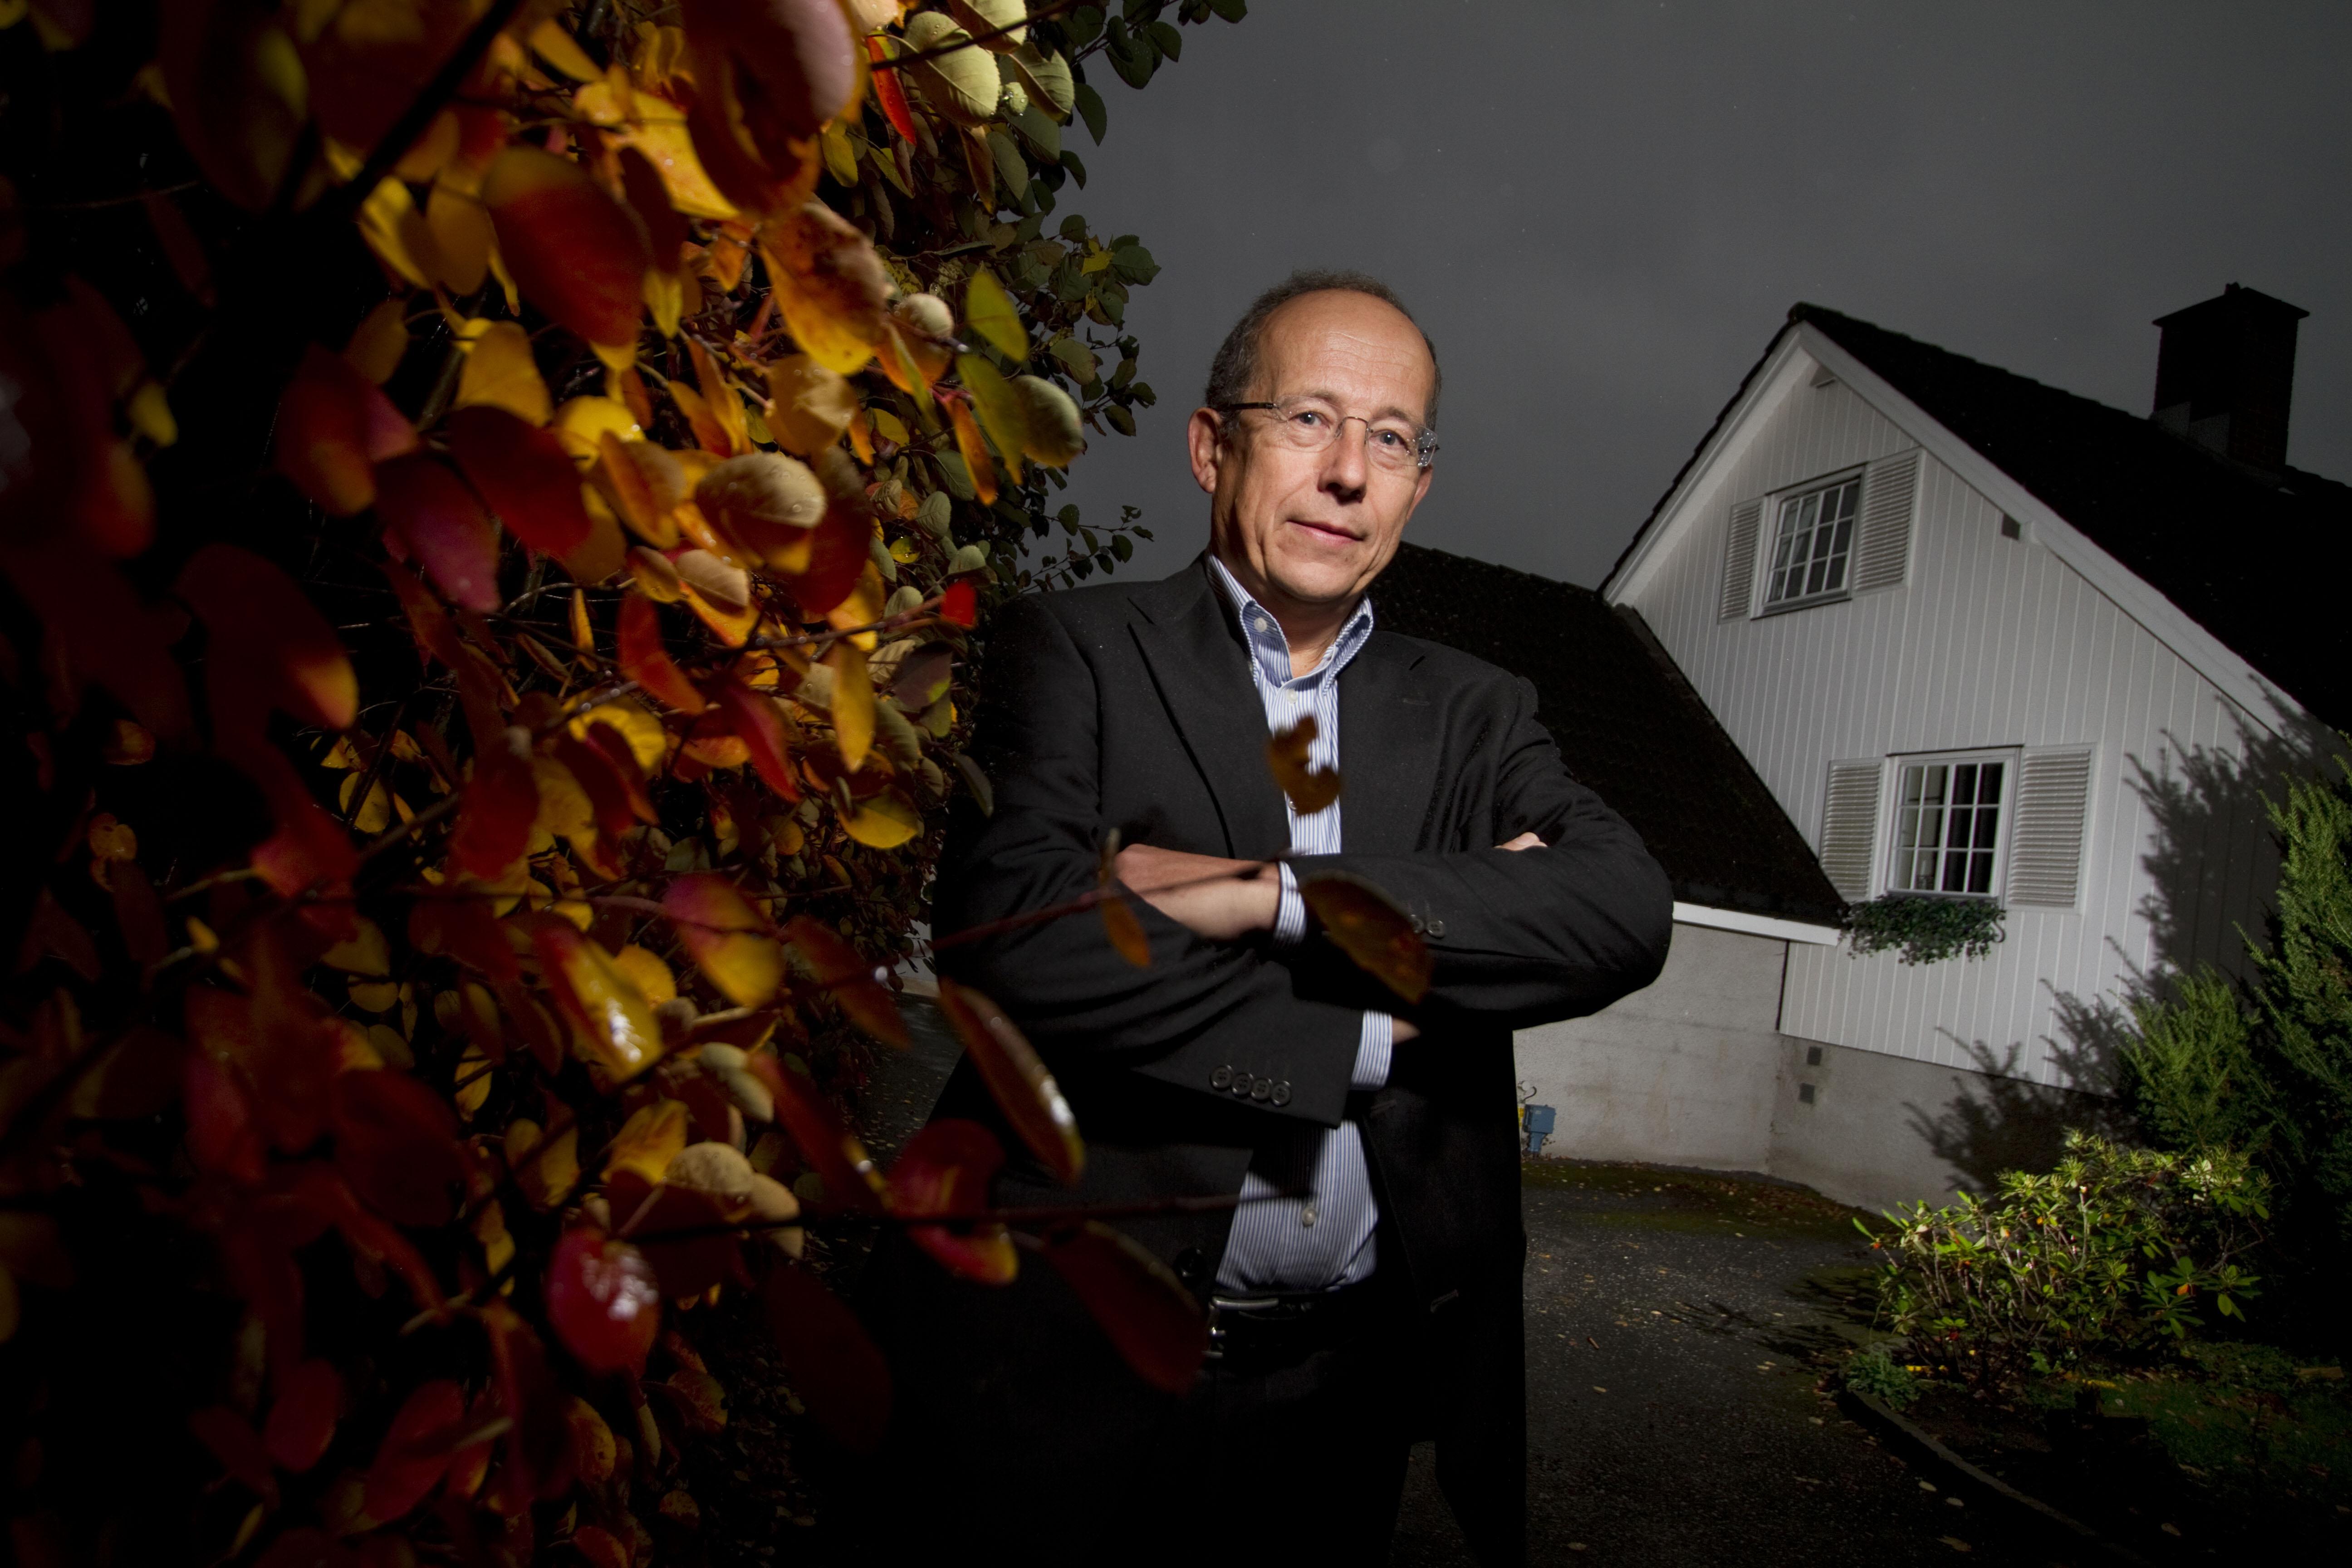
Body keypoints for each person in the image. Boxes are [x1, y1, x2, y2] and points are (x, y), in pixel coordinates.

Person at [861, 271, 1672, 1564]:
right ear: (1211, 446)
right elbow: (1013, 936)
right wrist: (1377, 1026)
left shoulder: (1476, 711)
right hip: (1065, 1371)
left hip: (1342, 1403)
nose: (1348, 471)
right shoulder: (1076, 650)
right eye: (1308, 418)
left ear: (1417, 489)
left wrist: (1267, 895)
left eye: (1391, 440)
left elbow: (1622, 908)